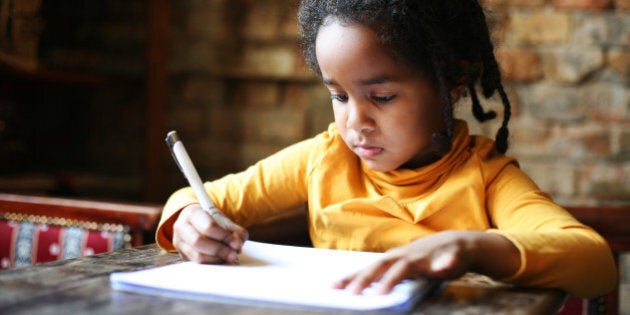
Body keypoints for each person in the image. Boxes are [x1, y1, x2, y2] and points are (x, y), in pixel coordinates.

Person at [156, 0, 616, 298]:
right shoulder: (324, 158)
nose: (355, 121)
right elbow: (198, 199)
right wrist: (188, 223)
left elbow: (593, 262)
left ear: (451, 84)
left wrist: (471, 247)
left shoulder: (486, 178)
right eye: (338, 96)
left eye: (382, 97)